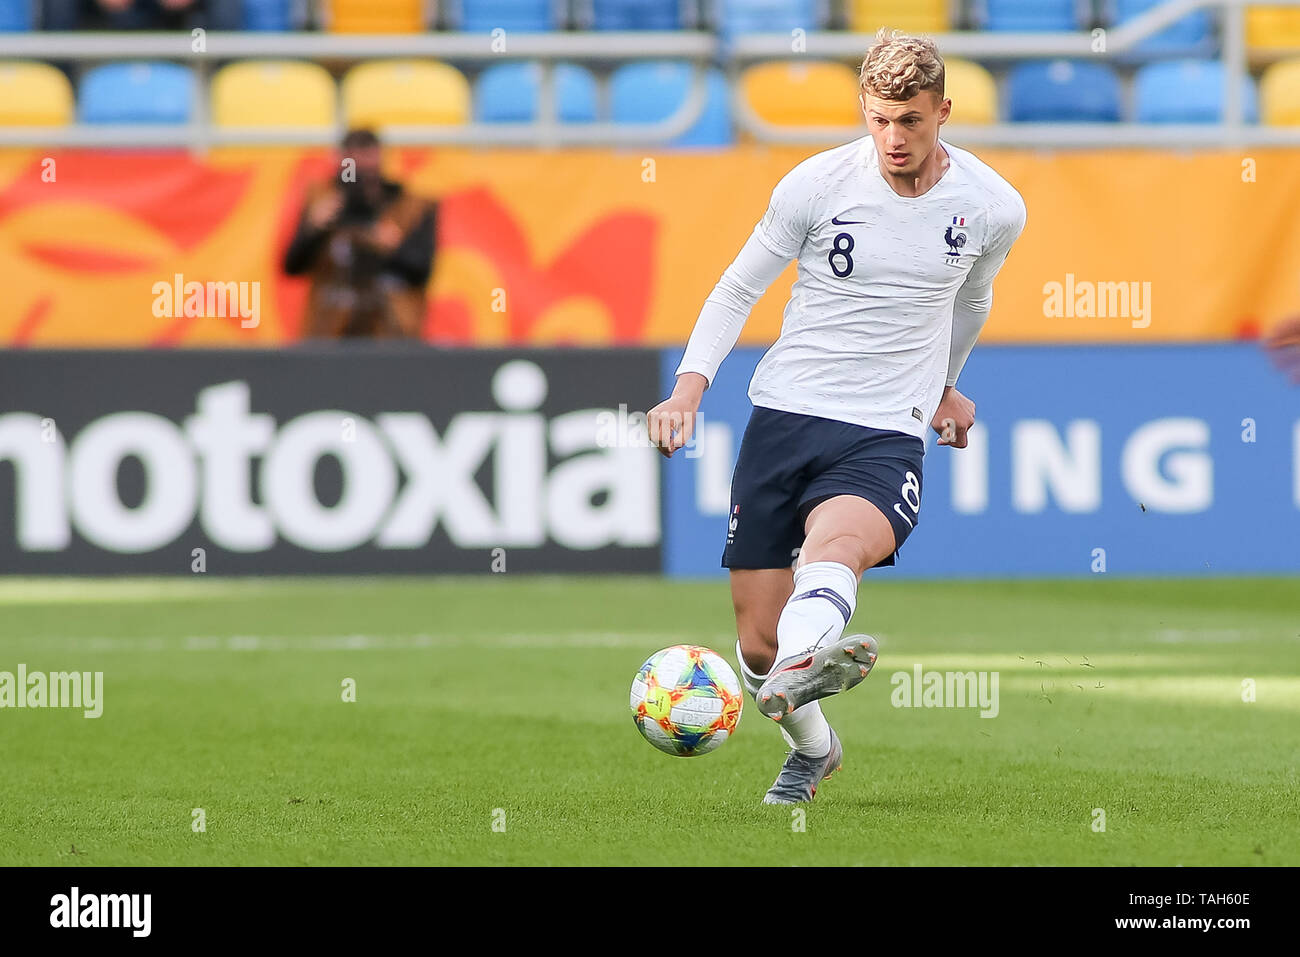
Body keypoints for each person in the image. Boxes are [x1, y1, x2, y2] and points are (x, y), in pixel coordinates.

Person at [646, 30, 1027, 805]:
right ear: (863, 109)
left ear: (943, 111)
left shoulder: (991, 208)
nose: (894, 137)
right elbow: (736, 288)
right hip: (785, 416)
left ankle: (803, 659)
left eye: (911, 121)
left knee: (838, 545)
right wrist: (688, 389)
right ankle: (813, 743)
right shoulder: (815, 186)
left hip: (888, 427)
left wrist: (948, 384)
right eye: (881, 119)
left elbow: (973, 300)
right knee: (755, 641)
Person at [284, 129, 438, 340]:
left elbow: (421, 270)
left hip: (390, 331)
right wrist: (313, 229)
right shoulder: (323, 199)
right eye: (353, 164)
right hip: (330, 331)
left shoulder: (410, 205)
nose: (360, 173)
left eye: (367, 162)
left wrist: (390, 244)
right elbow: (292, 266)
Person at [44, 0, 243, 30]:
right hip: (103, 13)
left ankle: (218, 91)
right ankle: (65, 89)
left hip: (183, 19)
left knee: (224, 10)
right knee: (58, 7)